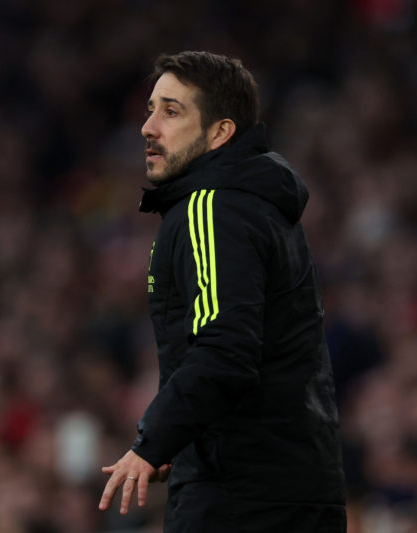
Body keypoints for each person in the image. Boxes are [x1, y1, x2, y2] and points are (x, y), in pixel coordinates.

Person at [98, 51, 346, 531]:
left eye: (171, 111)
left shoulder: (212, 207)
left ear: (219, 132)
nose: (148, 127)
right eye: (150, 110)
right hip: (292, 485)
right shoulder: (257, 204)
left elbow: (226, 349)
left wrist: (153, 443)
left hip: (242, 492)